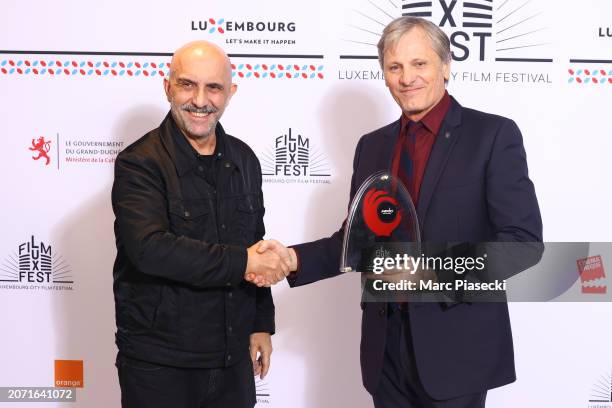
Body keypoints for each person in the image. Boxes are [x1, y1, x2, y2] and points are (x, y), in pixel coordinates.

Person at [254, 17, 543, 407]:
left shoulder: (491, 136)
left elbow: (522, 244)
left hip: (456, 349)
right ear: (385, 74)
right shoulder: (372, 146)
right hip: (385, 349)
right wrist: (291, 259)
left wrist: (424, 274)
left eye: (419, 64)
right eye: (395, 67)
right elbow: (356, 241)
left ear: (445, 66)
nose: (407, 78)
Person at [112, 41, 289, 408]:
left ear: (230, 93)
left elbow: (254, 242)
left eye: (214, 88)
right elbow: (151, 249)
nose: (200, 99)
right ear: (168, 87)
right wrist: (244, 262)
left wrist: (260, 322)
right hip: (159, 365)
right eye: (187, 84)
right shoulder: (139, 163)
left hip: (230, 360)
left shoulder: (244, 159)